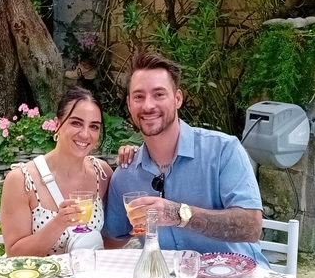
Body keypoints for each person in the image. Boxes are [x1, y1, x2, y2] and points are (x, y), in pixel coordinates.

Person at [103, 50, 267, 266]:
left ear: (178, 98)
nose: (148, 105)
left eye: (159, 94)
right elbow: (111, 241)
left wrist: (178, 214)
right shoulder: (126, 173)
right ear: (129, 104)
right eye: (139, 96)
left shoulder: (222, 150)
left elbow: (251, 227)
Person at [1, 87, 113, 257]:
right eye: (76, 123)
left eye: (94, 127)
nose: (85, 134)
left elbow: (111, 238)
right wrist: (59, 223)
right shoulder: (21, 180)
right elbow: (14, 255)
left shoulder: (102, 174)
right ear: (57, 124)